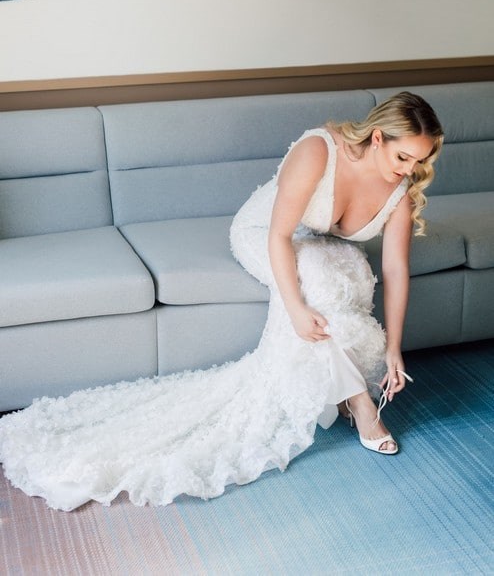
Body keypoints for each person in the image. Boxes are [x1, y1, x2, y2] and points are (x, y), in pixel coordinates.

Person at [0, 91, 443, 511]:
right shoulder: (318, 151)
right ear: (378, 138)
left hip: (316, 243)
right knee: (314, 285)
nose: (409, 170)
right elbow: (279, 235)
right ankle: (360, 404)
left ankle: (343, 391)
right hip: (263, 232)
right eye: (402, 157)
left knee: (355, 275)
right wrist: (294, 309)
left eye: (420, 161)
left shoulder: (401, 191)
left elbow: (394, 269)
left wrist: (393, 347)